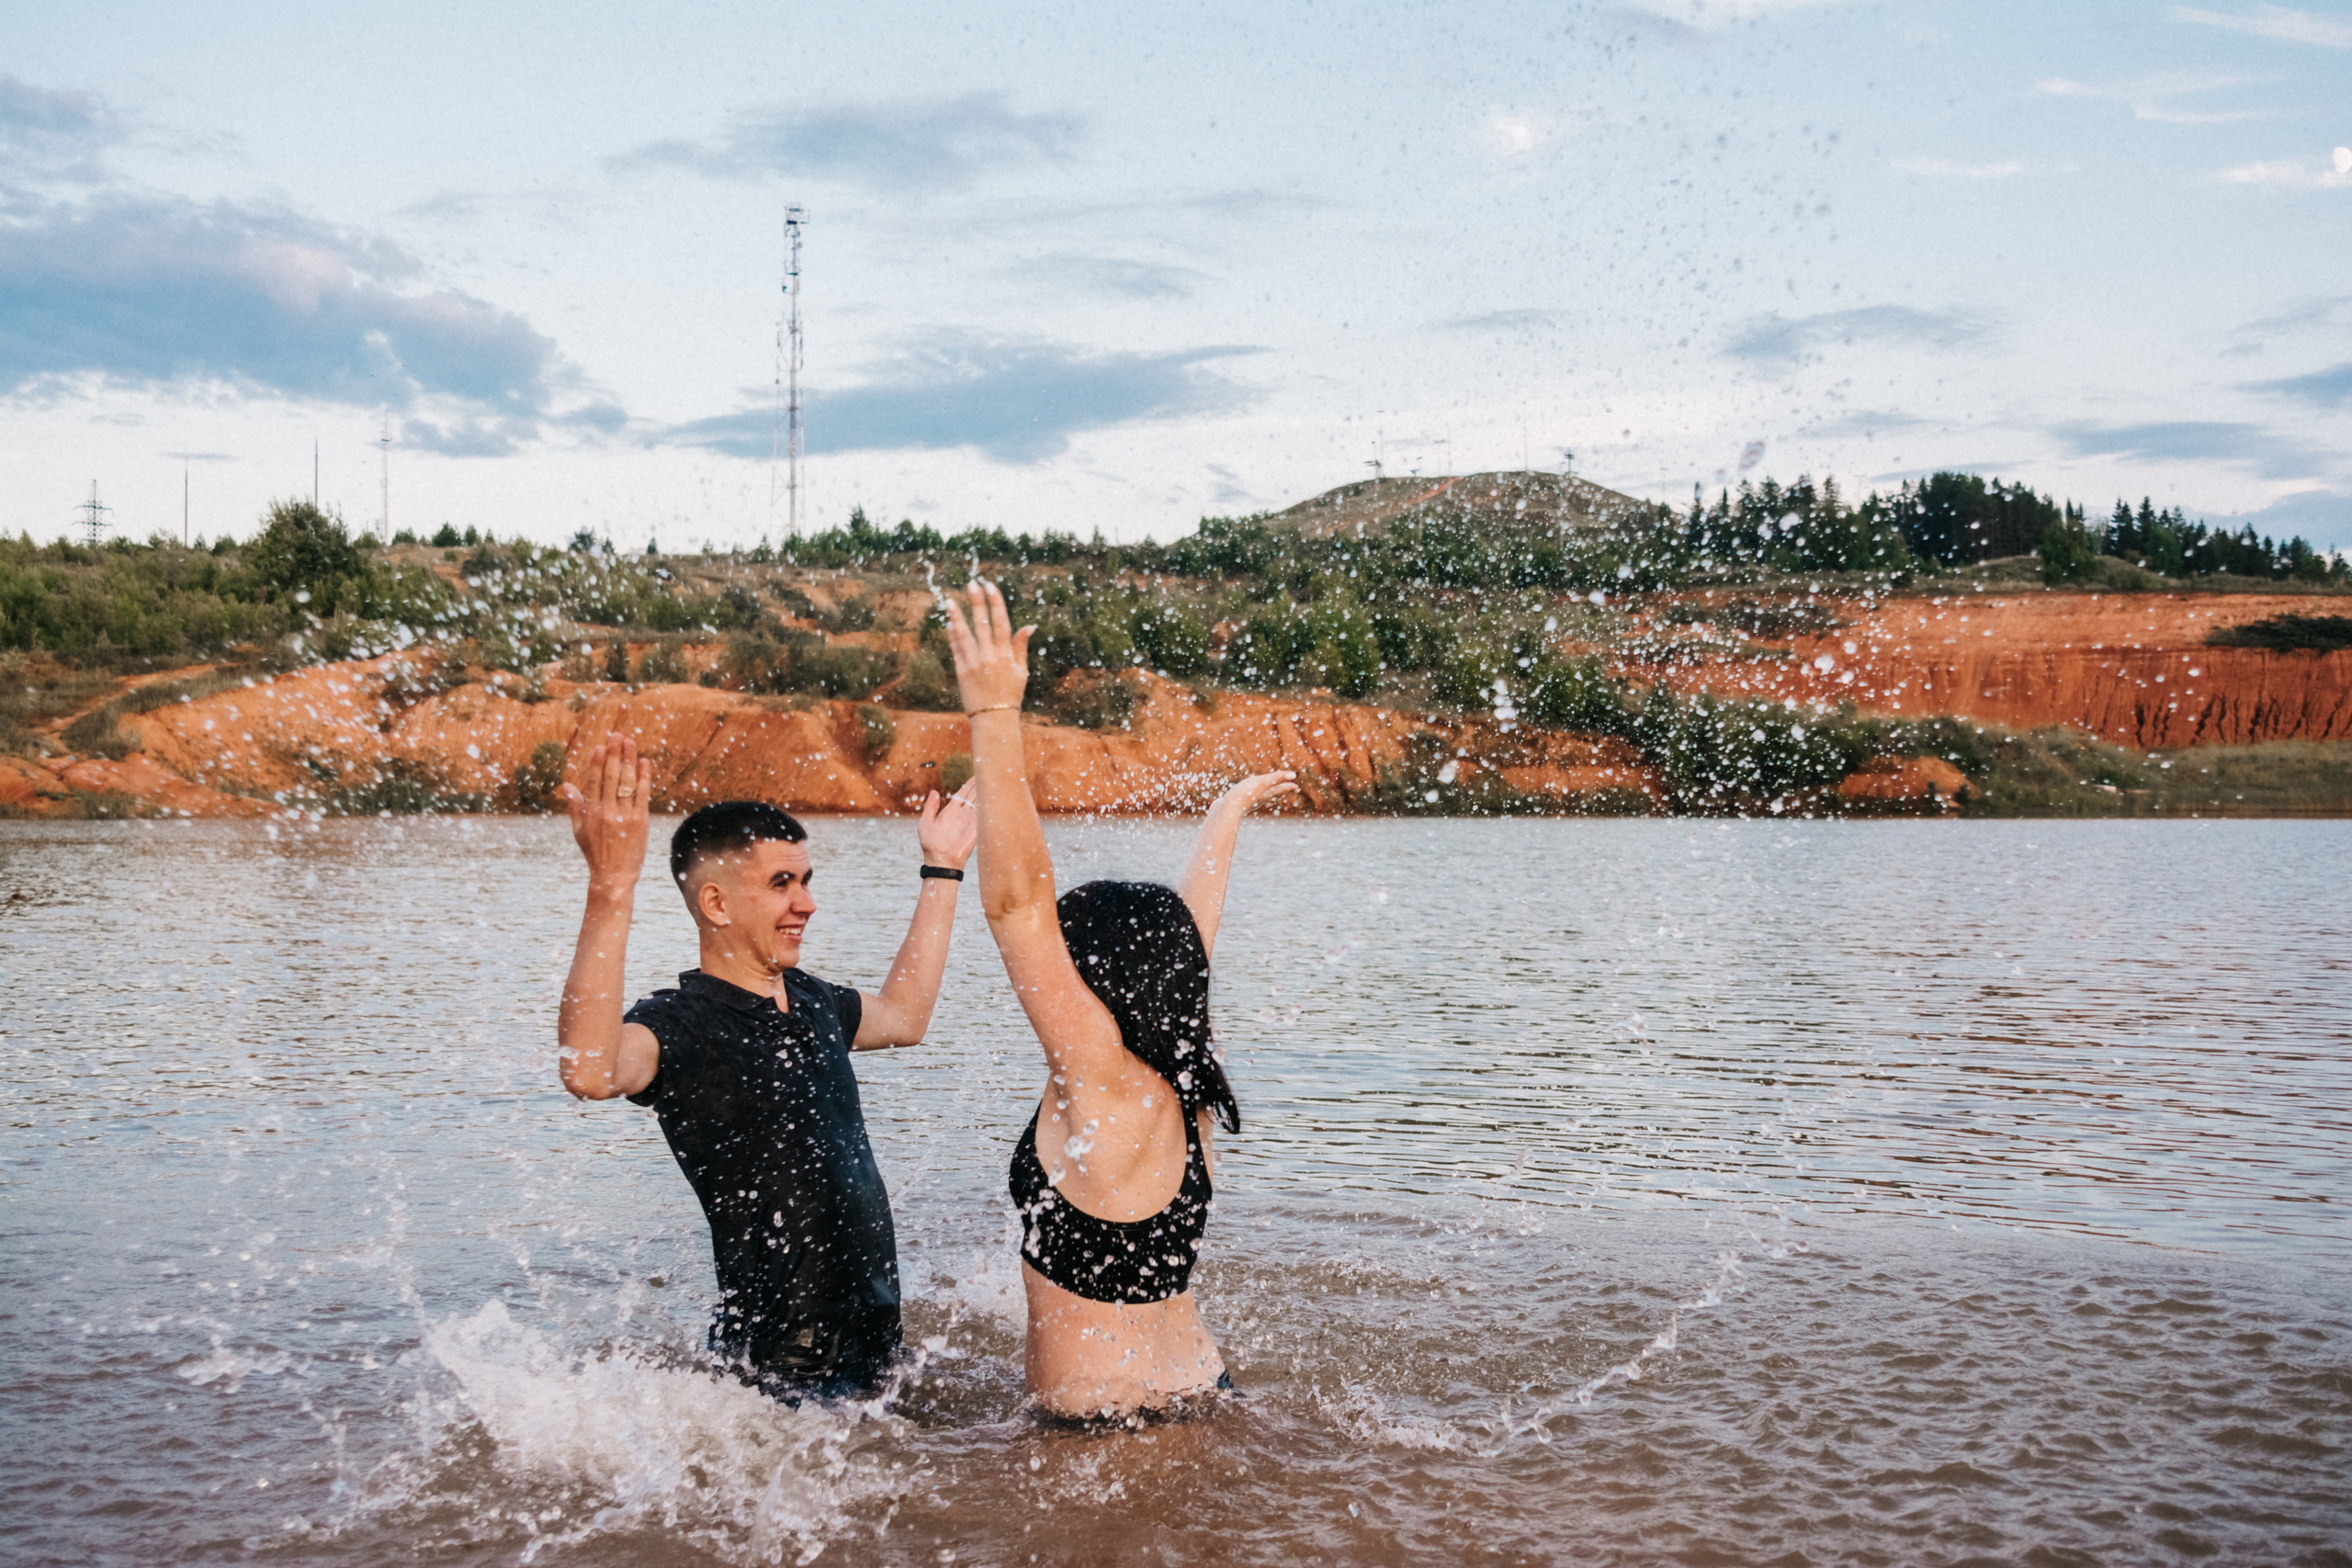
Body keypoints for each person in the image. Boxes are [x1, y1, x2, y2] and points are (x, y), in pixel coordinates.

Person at [942, 580, 1296, 1419]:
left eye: (1069, 956)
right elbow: (1187, 949)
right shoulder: (1183, 1083)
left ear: (1094, 979)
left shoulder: (1096, 1078)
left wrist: (994, 716)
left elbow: (1016, 903)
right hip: (1200, 1392)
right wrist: (1226, 814)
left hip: (1104, 1428)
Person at [554, 732, 978, 1398]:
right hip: (780, 1373)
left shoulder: (811, 999)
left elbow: (905, 1015)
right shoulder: (680, 1023)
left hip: (877, 1345)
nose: (805, 902)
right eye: (782, 884)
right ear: (717, 903)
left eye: (805, 881)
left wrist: (943, 867)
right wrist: (610, 887)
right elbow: (589, 1069)